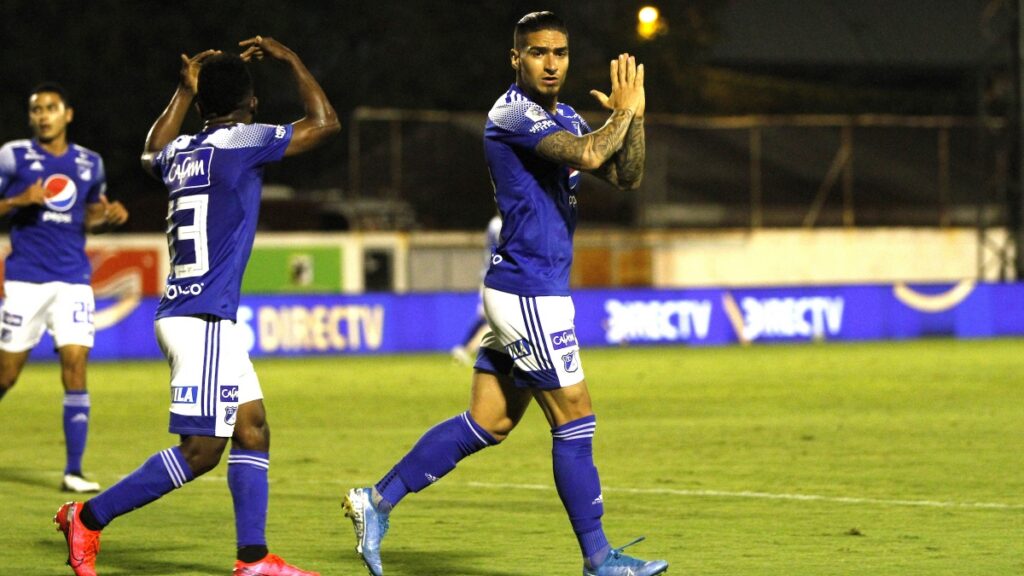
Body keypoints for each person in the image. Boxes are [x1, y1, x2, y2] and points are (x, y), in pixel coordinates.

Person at [343, 11, 667, 576]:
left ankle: (375, 501)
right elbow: (592, 155)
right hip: (530, 292)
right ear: (515, 58)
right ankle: (598, 560)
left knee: (489, 421)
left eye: (560, 53)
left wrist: (632, 121)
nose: (551, 63)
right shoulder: (512, 113)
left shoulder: (562, 115)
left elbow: (625, 175)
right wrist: (621, 112)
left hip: (524, 288)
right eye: (539, 53)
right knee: (575, 418)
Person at [53, 36, 339, 576]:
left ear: (202, 105)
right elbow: (324, 124)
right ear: (250, 105)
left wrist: (183, 94)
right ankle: (87, 518)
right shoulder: (245, 140)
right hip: (202, 318)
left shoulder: (182, 152)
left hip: (197, 315)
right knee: (203, 451)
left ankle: (253, 560)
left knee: (252, 426)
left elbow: (146, 154)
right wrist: (294, 61)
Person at [0, 82, 129, 494]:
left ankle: (74, 470)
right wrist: (21, 200)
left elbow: (86, 217)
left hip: (73, 279)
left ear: (67, 114)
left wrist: (107, 215)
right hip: (25, 280)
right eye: (36, 109)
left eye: (51, 108)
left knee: (75, 367)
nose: (42, 115)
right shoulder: (13, 155)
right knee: (6, 376)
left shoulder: (90, 163)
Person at [450, 213, 502, 365]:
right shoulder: (497, 224)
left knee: (490, 316)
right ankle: (463, 347)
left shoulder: (498, 223)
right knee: (485, 315)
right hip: (493, 276)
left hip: (498, 276)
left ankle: (465, 348)